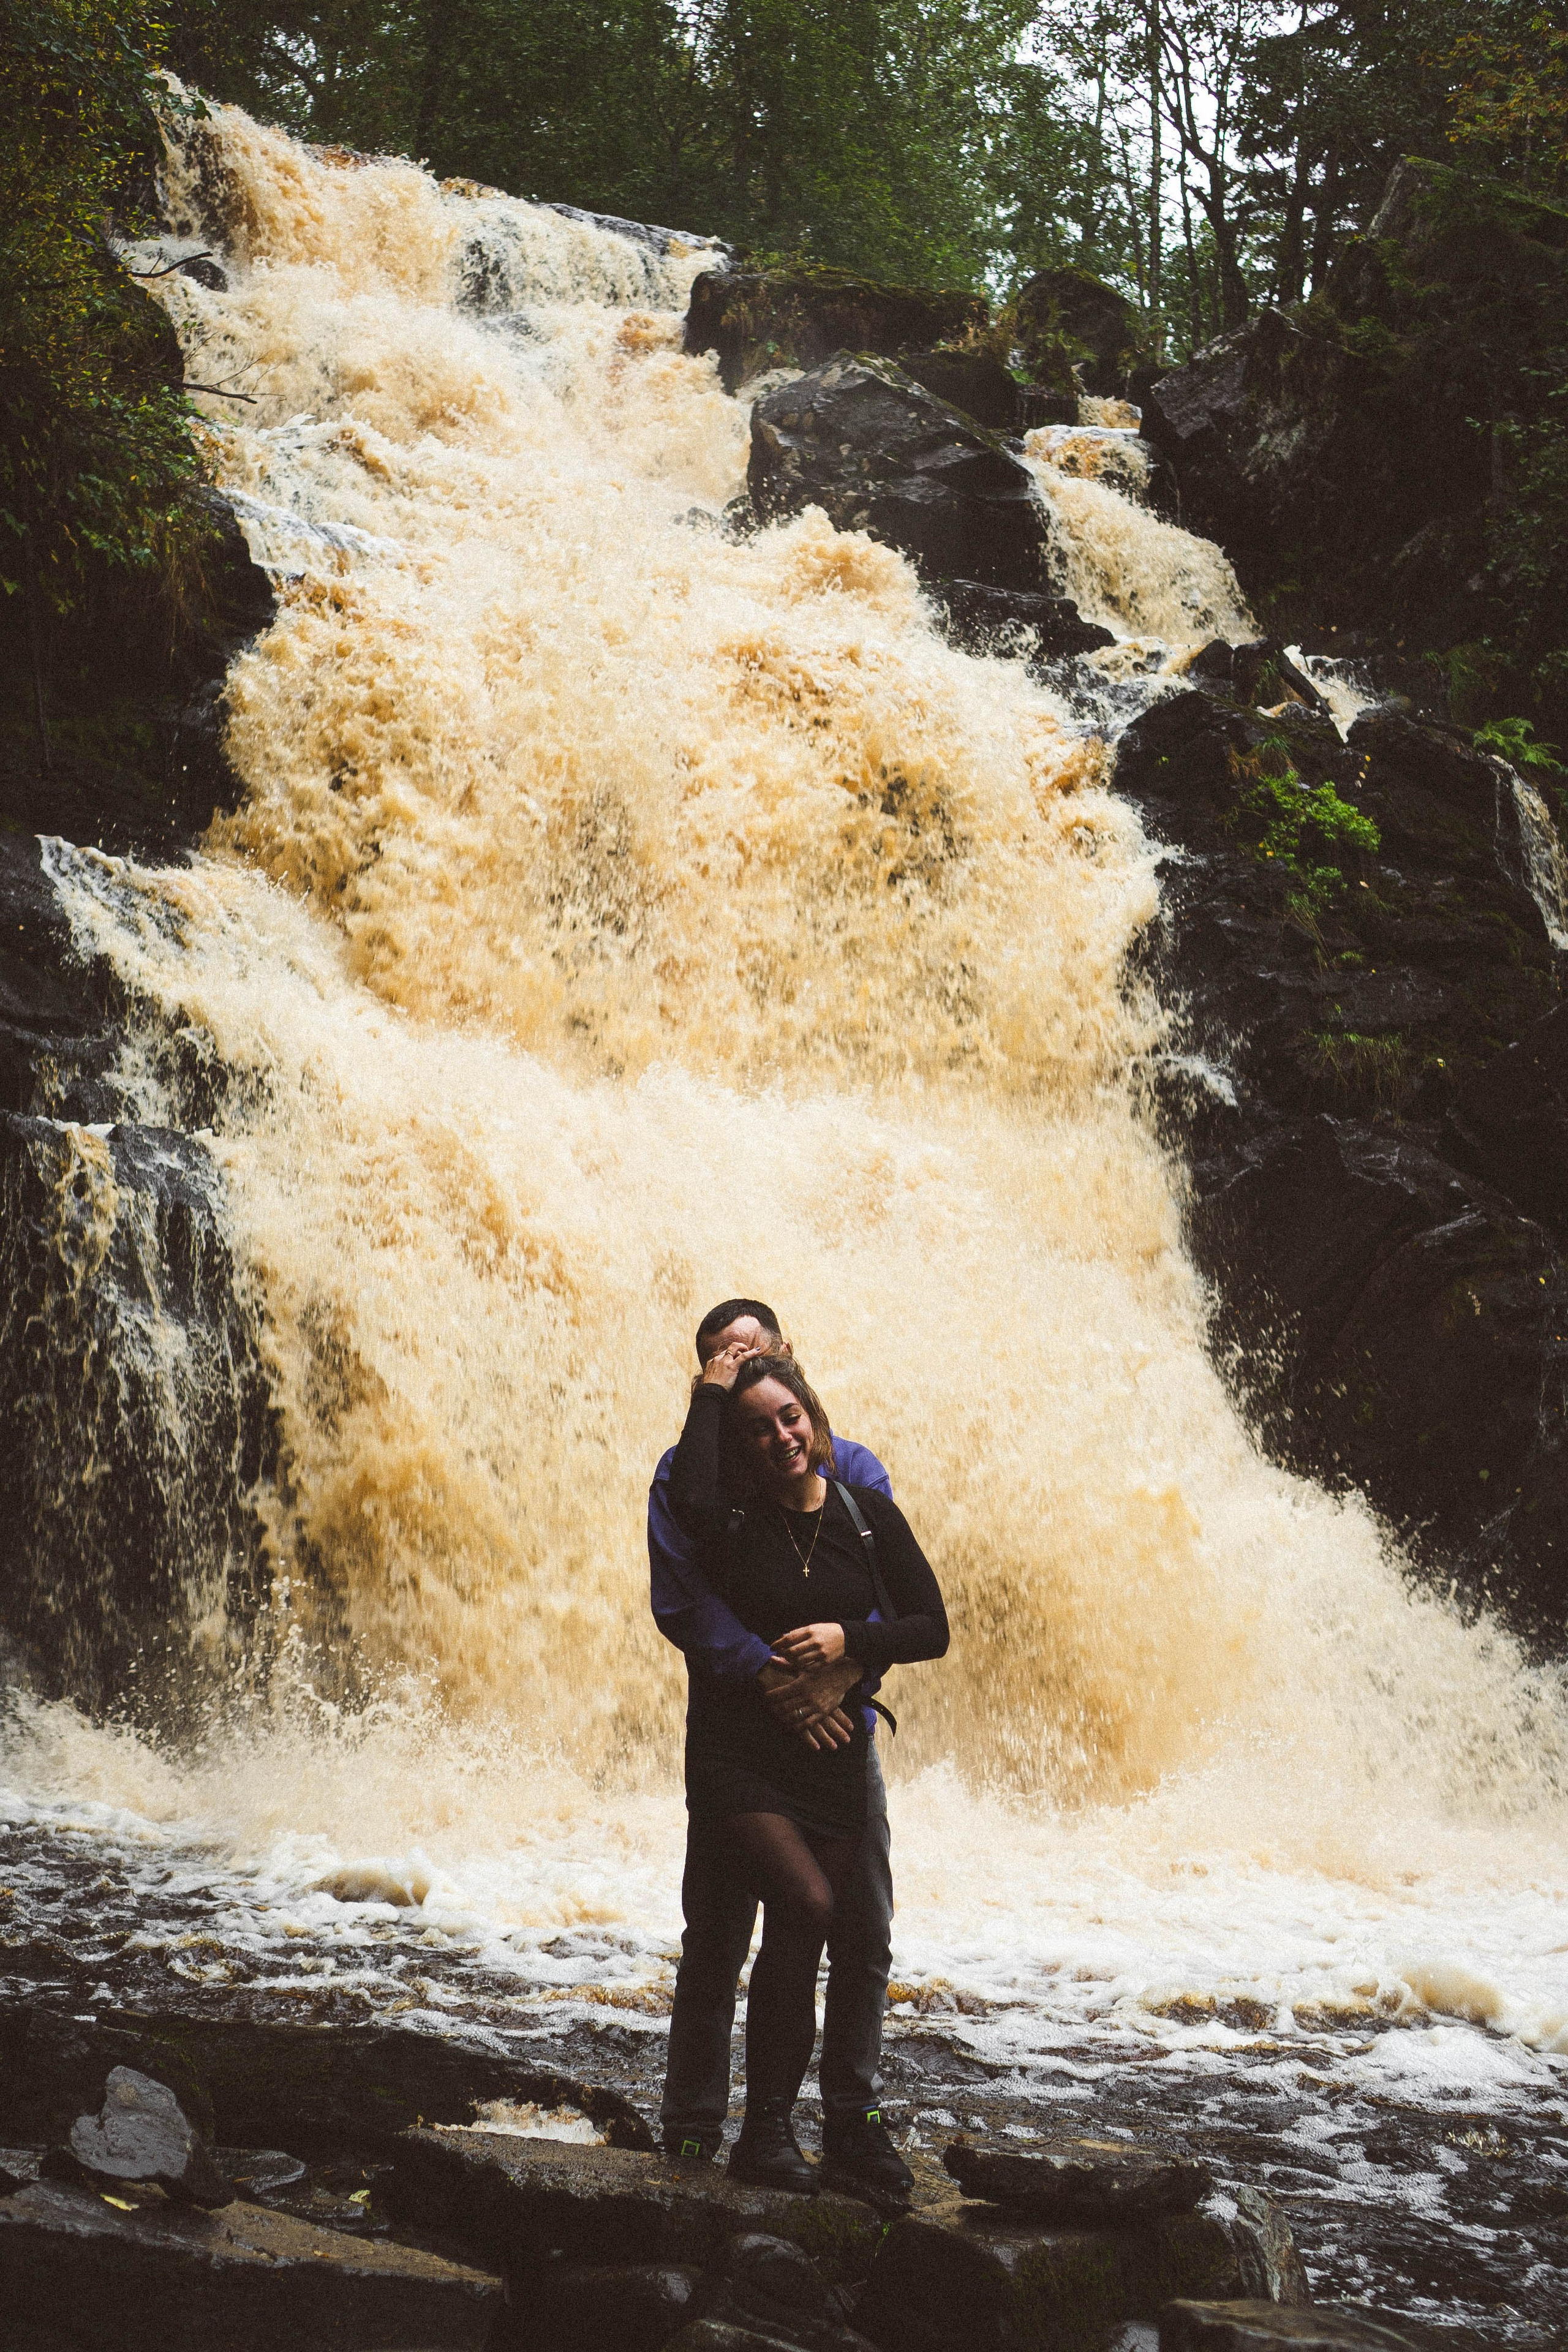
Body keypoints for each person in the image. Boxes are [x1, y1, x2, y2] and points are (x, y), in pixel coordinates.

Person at [662, 1334, 948, 2195]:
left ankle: (771, 2134)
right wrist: (710, 1394)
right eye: (757, 1429)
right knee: (803, 1903)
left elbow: (929, 1626)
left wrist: (848, 1643)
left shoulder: (866, 1509)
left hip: (830, 1755)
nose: (779, 1437)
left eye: (789, 1417)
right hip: (740, 1754)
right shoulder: (729, 1519)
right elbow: (689, 1498)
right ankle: (706, 2127)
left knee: (811, 1933)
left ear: (812, 1417)